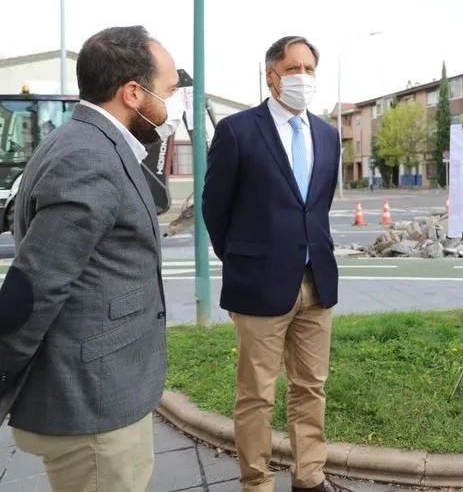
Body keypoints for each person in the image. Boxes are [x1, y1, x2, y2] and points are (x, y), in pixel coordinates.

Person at [0, 25, 182, 491]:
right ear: (133, 93)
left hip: (104, 392)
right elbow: (32, 289)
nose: (174, 104)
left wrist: (152, 137)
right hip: (94, 407)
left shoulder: (93, 141)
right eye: (169, 91)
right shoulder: (88, 157)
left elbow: (153, 199)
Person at [202, 36, 345, 492]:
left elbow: (315, 208)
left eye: (310, 68)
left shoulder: (326, 134)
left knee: (310, 388)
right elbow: (214, 208)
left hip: (315, 282)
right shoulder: (238, 130)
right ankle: (257, 482)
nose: (303, 76)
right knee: (256, 396)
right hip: (259, 285)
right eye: (294, 67)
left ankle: (309, 477)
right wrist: (243, 263)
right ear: (272, 75)